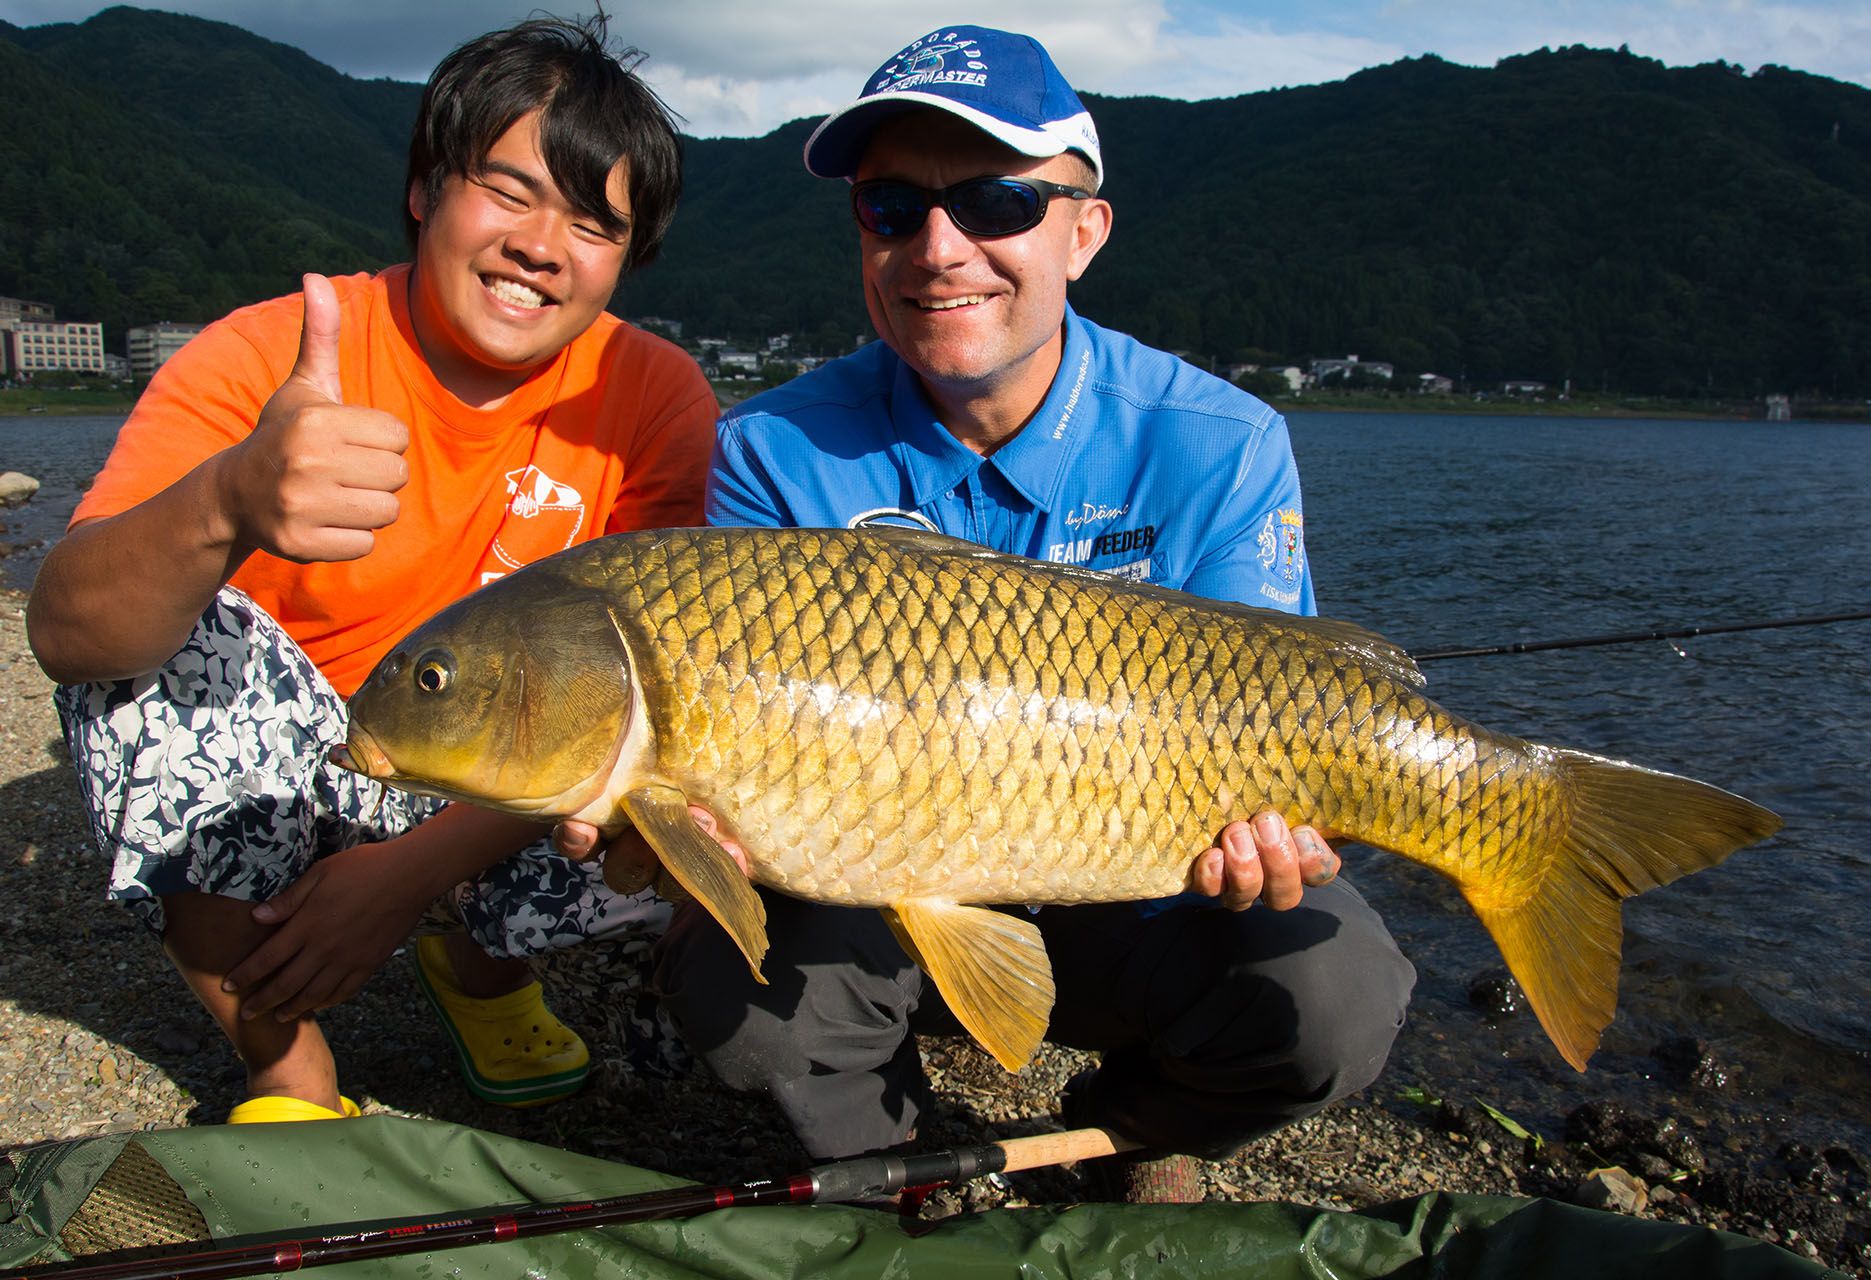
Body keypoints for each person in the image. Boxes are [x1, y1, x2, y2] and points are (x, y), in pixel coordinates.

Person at [640, 25, 1417, 1201]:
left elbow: (1283, 722)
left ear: (1084, 230)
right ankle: (900, 1162)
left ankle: (1130, 1133)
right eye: (893, 206)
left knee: (1335, 995)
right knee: (739, 998)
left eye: (997, 202)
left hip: (1141, 889)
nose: (940, 248)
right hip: (884, 887)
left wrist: (1286, 832)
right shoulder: (776, 451)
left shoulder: (1222, 442)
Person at [25, 15, 714, 1123]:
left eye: (594, 222)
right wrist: (228, 499)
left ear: (625, 258)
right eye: (508, 190)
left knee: (692, 742)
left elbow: (644, 704)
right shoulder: (272, 354)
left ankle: (479, 972)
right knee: (155, 645)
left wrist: (403, 880)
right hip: (300, 759)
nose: (543, 243)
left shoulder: (652, 396)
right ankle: (282, 1054)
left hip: (487, 780)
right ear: (426, 189)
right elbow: (68, 630)